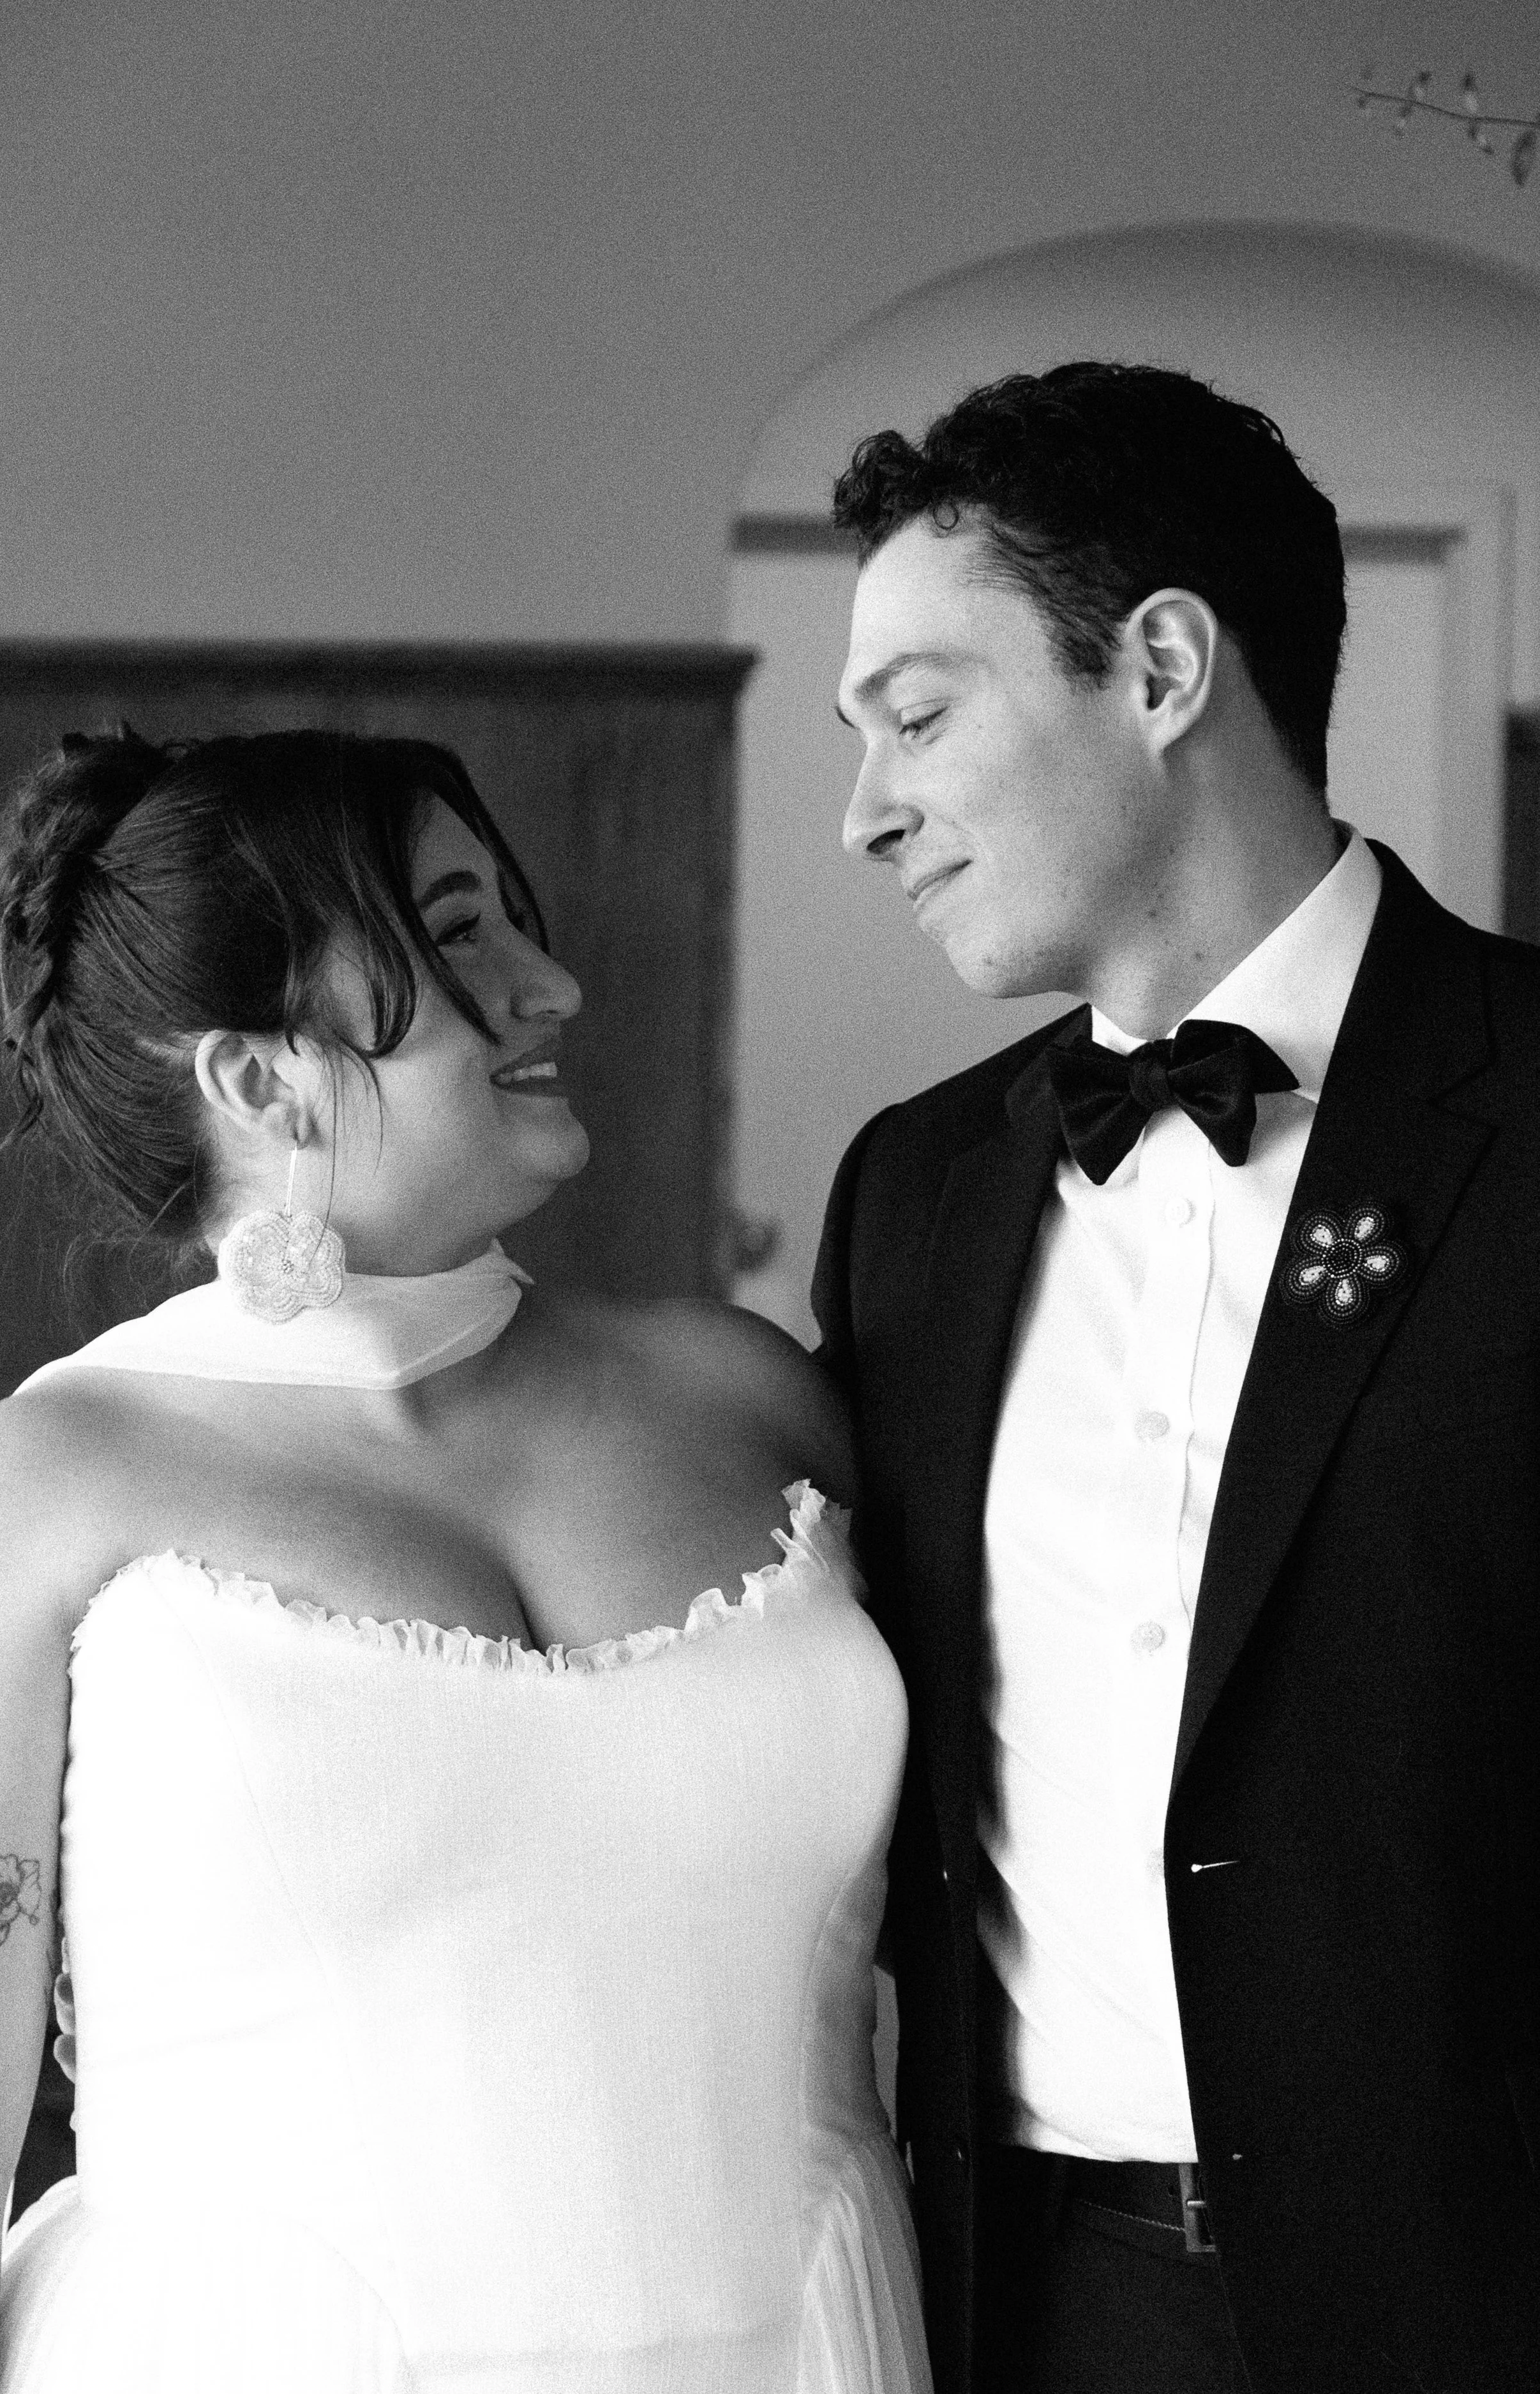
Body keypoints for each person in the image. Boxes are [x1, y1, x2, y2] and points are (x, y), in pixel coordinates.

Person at [0, 725, 933, 2394]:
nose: (546, 984)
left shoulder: (751, 1397)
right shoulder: (37, 1488)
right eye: (458, 930)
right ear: (260, 1079)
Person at [813, 361, 1540, 2394]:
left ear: (1156, 668)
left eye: (917, 714)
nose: (863, 811)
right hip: (1041, 2308)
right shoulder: (913, 1198)